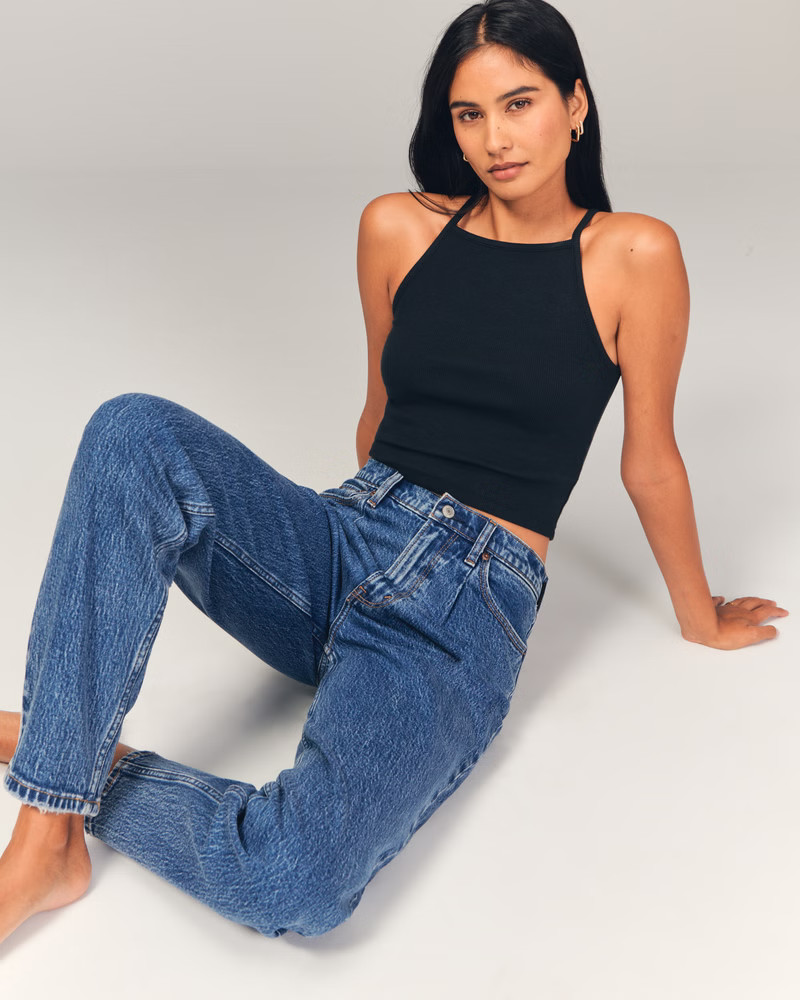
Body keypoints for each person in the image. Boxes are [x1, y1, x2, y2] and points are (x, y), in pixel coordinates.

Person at [0, 0, 788, 945]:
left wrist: (701, 618)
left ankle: (68, 749)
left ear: (576, 105)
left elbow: (649, 459)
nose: (495, 139)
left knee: (292, 883)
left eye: (521, 103)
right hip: (348, 533)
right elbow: (378, 413)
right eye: (469, 114)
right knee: (132, 432)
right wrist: (329, 562)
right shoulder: (396, 227)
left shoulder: (634, 254)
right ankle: (45, 836)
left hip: (464, 607)